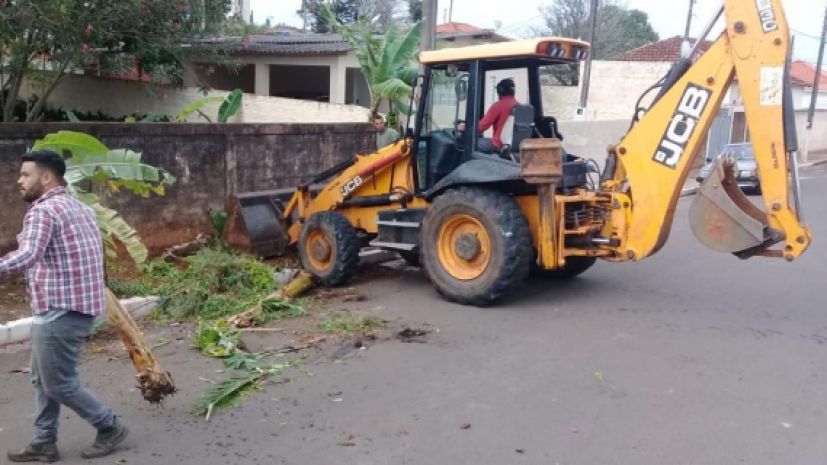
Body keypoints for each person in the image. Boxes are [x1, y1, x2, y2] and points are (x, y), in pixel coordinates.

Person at [3, 150, 128, 462]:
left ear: (46, 177)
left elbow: (28, 254)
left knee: (58, 383)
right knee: (43, 378)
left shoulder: (43, 211)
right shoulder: (79, 207)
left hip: (59, 309)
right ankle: (44, 441)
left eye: (25, 174)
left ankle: (109, 426)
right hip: (77, 307)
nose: (19, 181)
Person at [477, 78, 519, 153]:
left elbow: (481, 127)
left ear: (500, 91)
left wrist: (464, 128)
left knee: (466, 143)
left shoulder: (498, 106)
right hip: (512, 146)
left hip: (497, 145)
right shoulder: (519, 106)